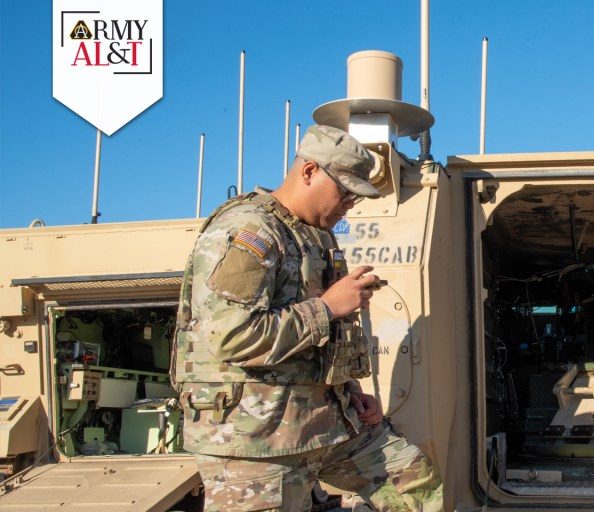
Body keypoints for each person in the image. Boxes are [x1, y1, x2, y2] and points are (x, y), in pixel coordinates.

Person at [171, 124, 443, 511]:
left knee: (414, 483)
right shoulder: (250, 230)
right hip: (257, 440)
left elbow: (314, 343)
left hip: (324, 421)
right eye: (345, 191)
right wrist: (329, 306)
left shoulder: (315, 235)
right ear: (310, 171)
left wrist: (346, 392)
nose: (351, 203)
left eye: (356, 195)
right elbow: (231, 336)